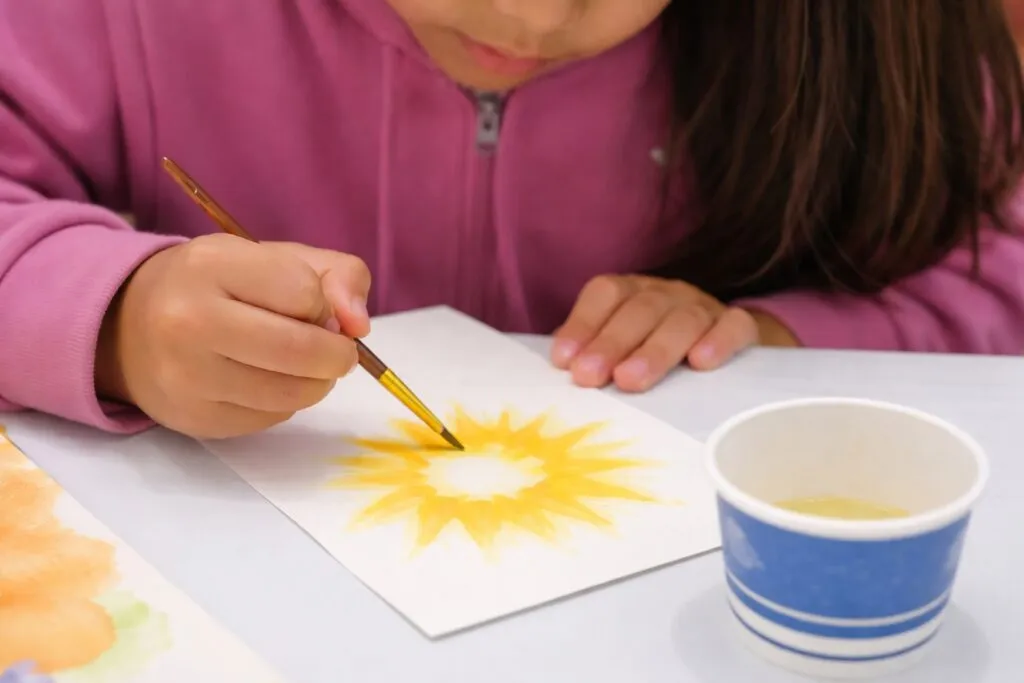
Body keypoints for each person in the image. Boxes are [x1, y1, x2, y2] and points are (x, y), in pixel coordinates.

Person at [1, 0, 1023, 440]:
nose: (528, 19)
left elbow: (996, 261)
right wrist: (113, 316)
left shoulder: (875, 39)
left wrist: (783, 336)